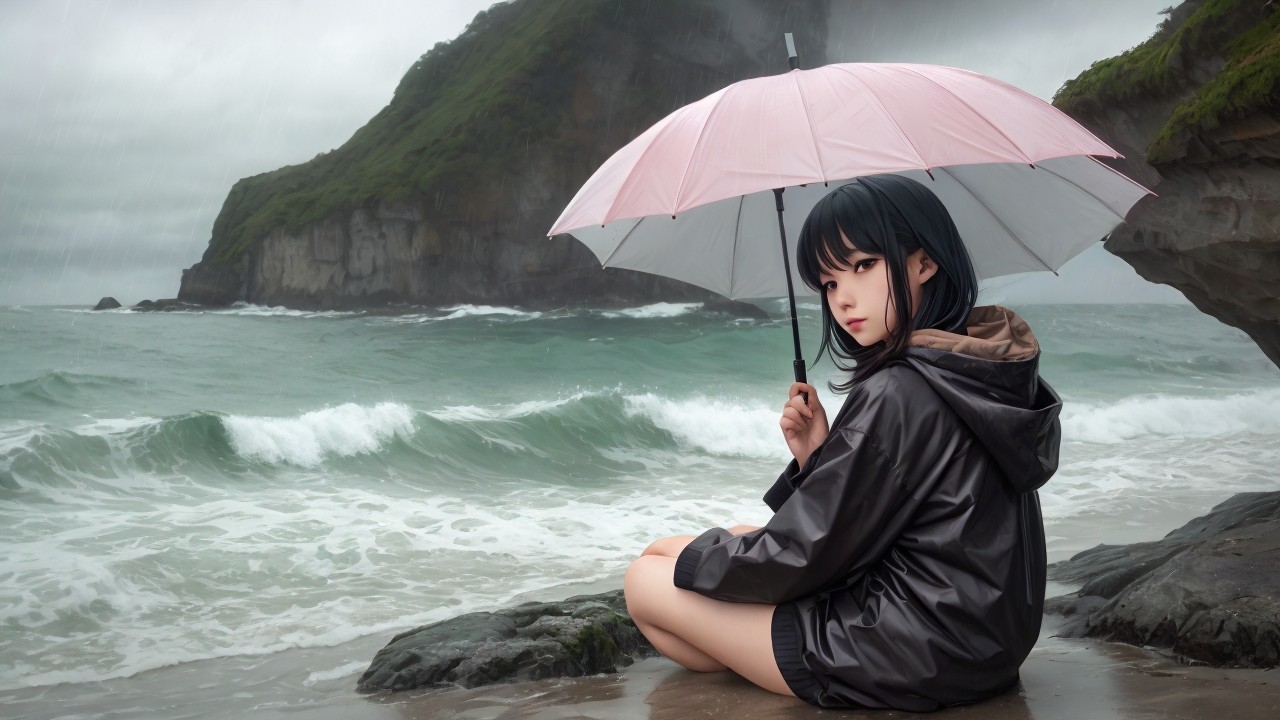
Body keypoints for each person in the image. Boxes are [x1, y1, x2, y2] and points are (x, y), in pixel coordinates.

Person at [622, 173, 1063, 710]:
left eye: (862, 266)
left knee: (647, 576)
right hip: (986, 640)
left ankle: (770, 658)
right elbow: (878, 517)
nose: (843, 297)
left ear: (924, 263)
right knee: (724, 542)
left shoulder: (900, 389)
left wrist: (693, 560)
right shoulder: (972, 365)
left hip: (912, 651)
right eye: (829, 282)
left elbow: (808, 552)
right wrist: (818, 456)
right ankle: (751, 642)